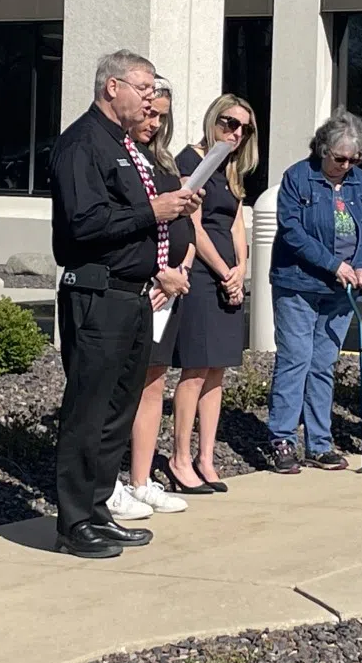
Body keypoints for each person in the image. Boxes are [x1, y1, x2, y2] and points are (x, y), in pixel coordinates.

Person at [49, 50, 201, 558]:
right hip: (97, 295)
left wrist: (167, 219)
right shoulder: (81, 144)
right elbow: (85, 224)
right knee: (88, 411)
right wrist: (153, 208)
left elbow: (130, 225)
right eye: (142, 86)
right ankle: (73, 524)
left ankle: (98, 510)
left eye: (153, 88)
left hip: (136, 294)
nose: (150, 96)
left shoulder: (124, 146)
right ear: (112, 87)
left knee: (118, 410)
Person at [266, 110, 362, 474]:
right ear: (322, 150)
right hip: (298, 283)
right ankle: (282, 439)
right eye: (339, 158)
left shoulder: (360, 181)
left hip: (341, 289)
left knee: (323, 364)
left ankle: (318, 442)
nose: (346, 165)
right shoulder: (298, 177)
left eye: (353, 159)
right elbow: (292, 232)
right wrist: (333, 264)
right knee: (295, 359)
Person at [107, 77, 196, 520]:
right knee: (127, 383)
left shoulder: (162, 162)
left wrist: (182, 269)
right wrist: (156, 276)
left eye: (161, 116)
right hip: (139, 286)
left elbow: (186, 230)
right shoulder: (122, 159)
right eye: (149, 112)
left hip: (171, 288)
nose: (153, 122)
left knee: (155, 382)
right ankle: (109, 482)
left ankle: (141, 479)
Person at [167, 94, 258, 494]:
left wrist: (242, 268)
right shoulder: (193, 161)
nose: (235, 132)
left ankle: (206, 456)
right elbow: (195, 225)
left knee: (217, 370)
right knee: (196, 368)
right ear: (212, 119)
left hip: (228, 276)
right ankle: (179, 457)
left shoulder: (232, 168)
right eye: (228, 122)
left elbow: (237, 221)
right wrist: (224, 272)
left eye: (244, 127)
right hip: (203, 274)